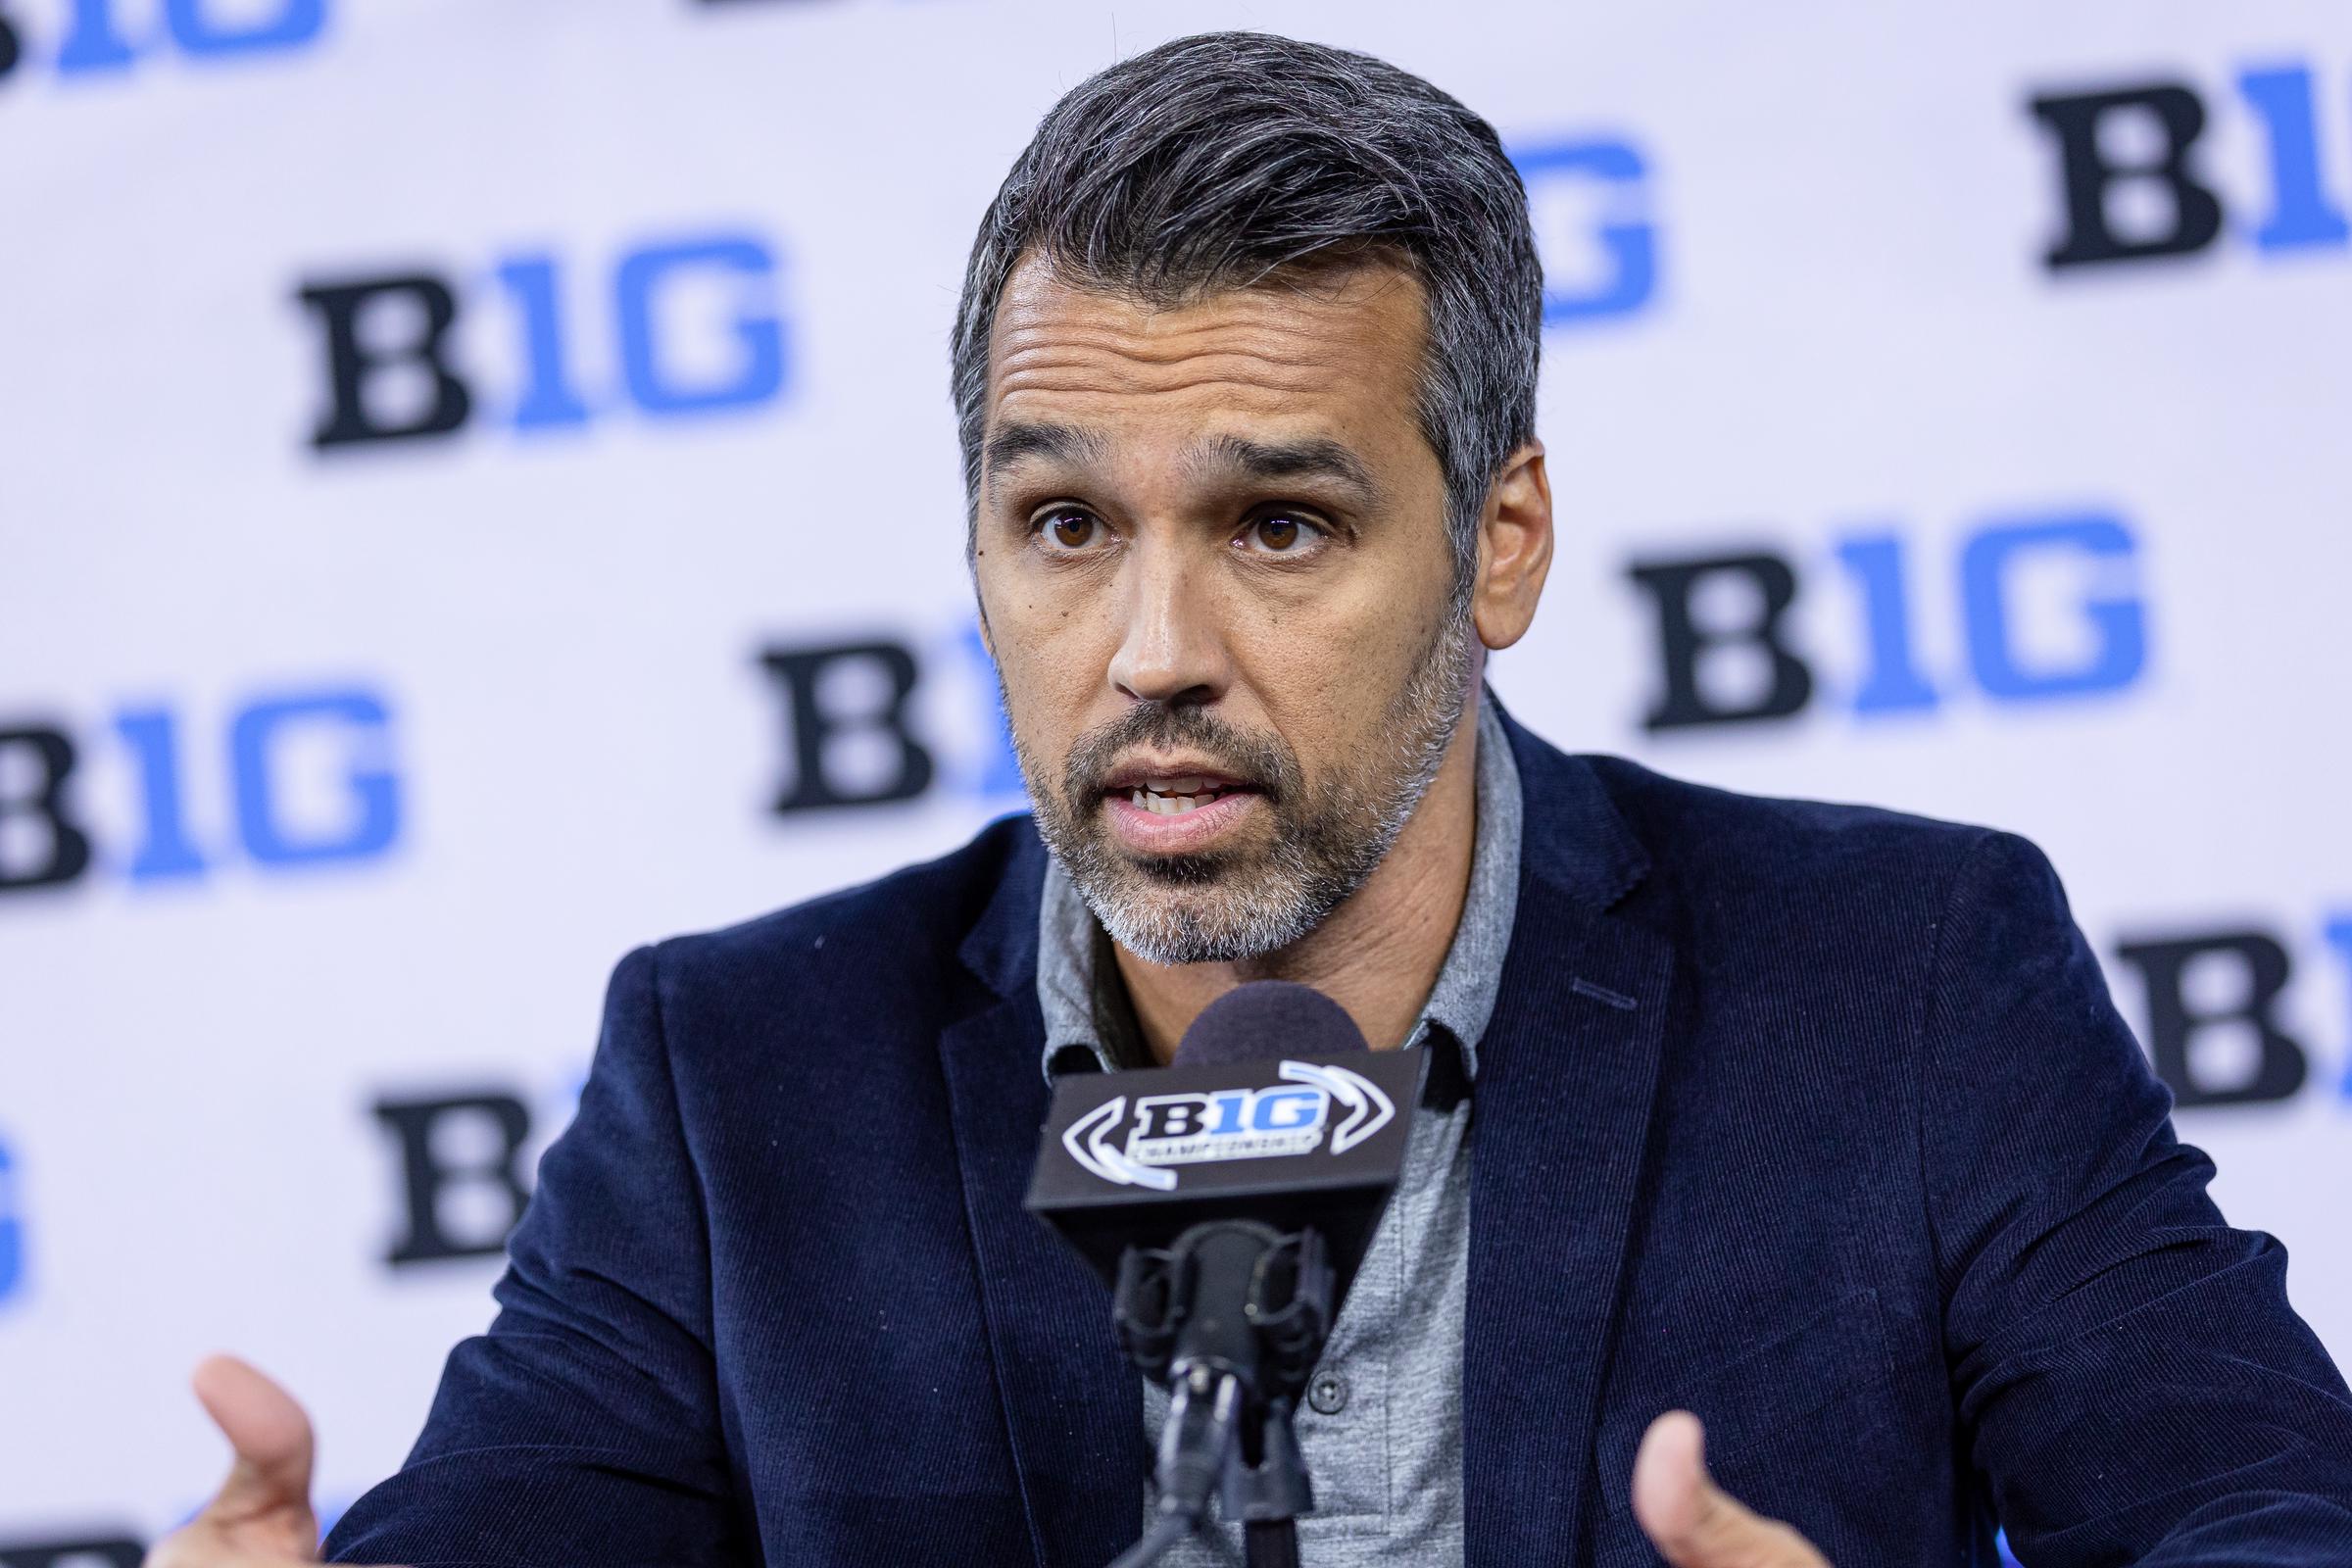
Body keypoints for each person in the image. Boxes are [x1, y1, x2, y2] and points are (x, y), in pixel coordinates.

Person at [152, 30, 2352, 1568]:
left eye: (1280, 525)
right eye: (1066, 524)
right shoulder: (743, 1074)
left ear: (1499, 542)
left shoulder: (1903, 976)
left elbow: (2262, 1507)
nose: (1152, 651)